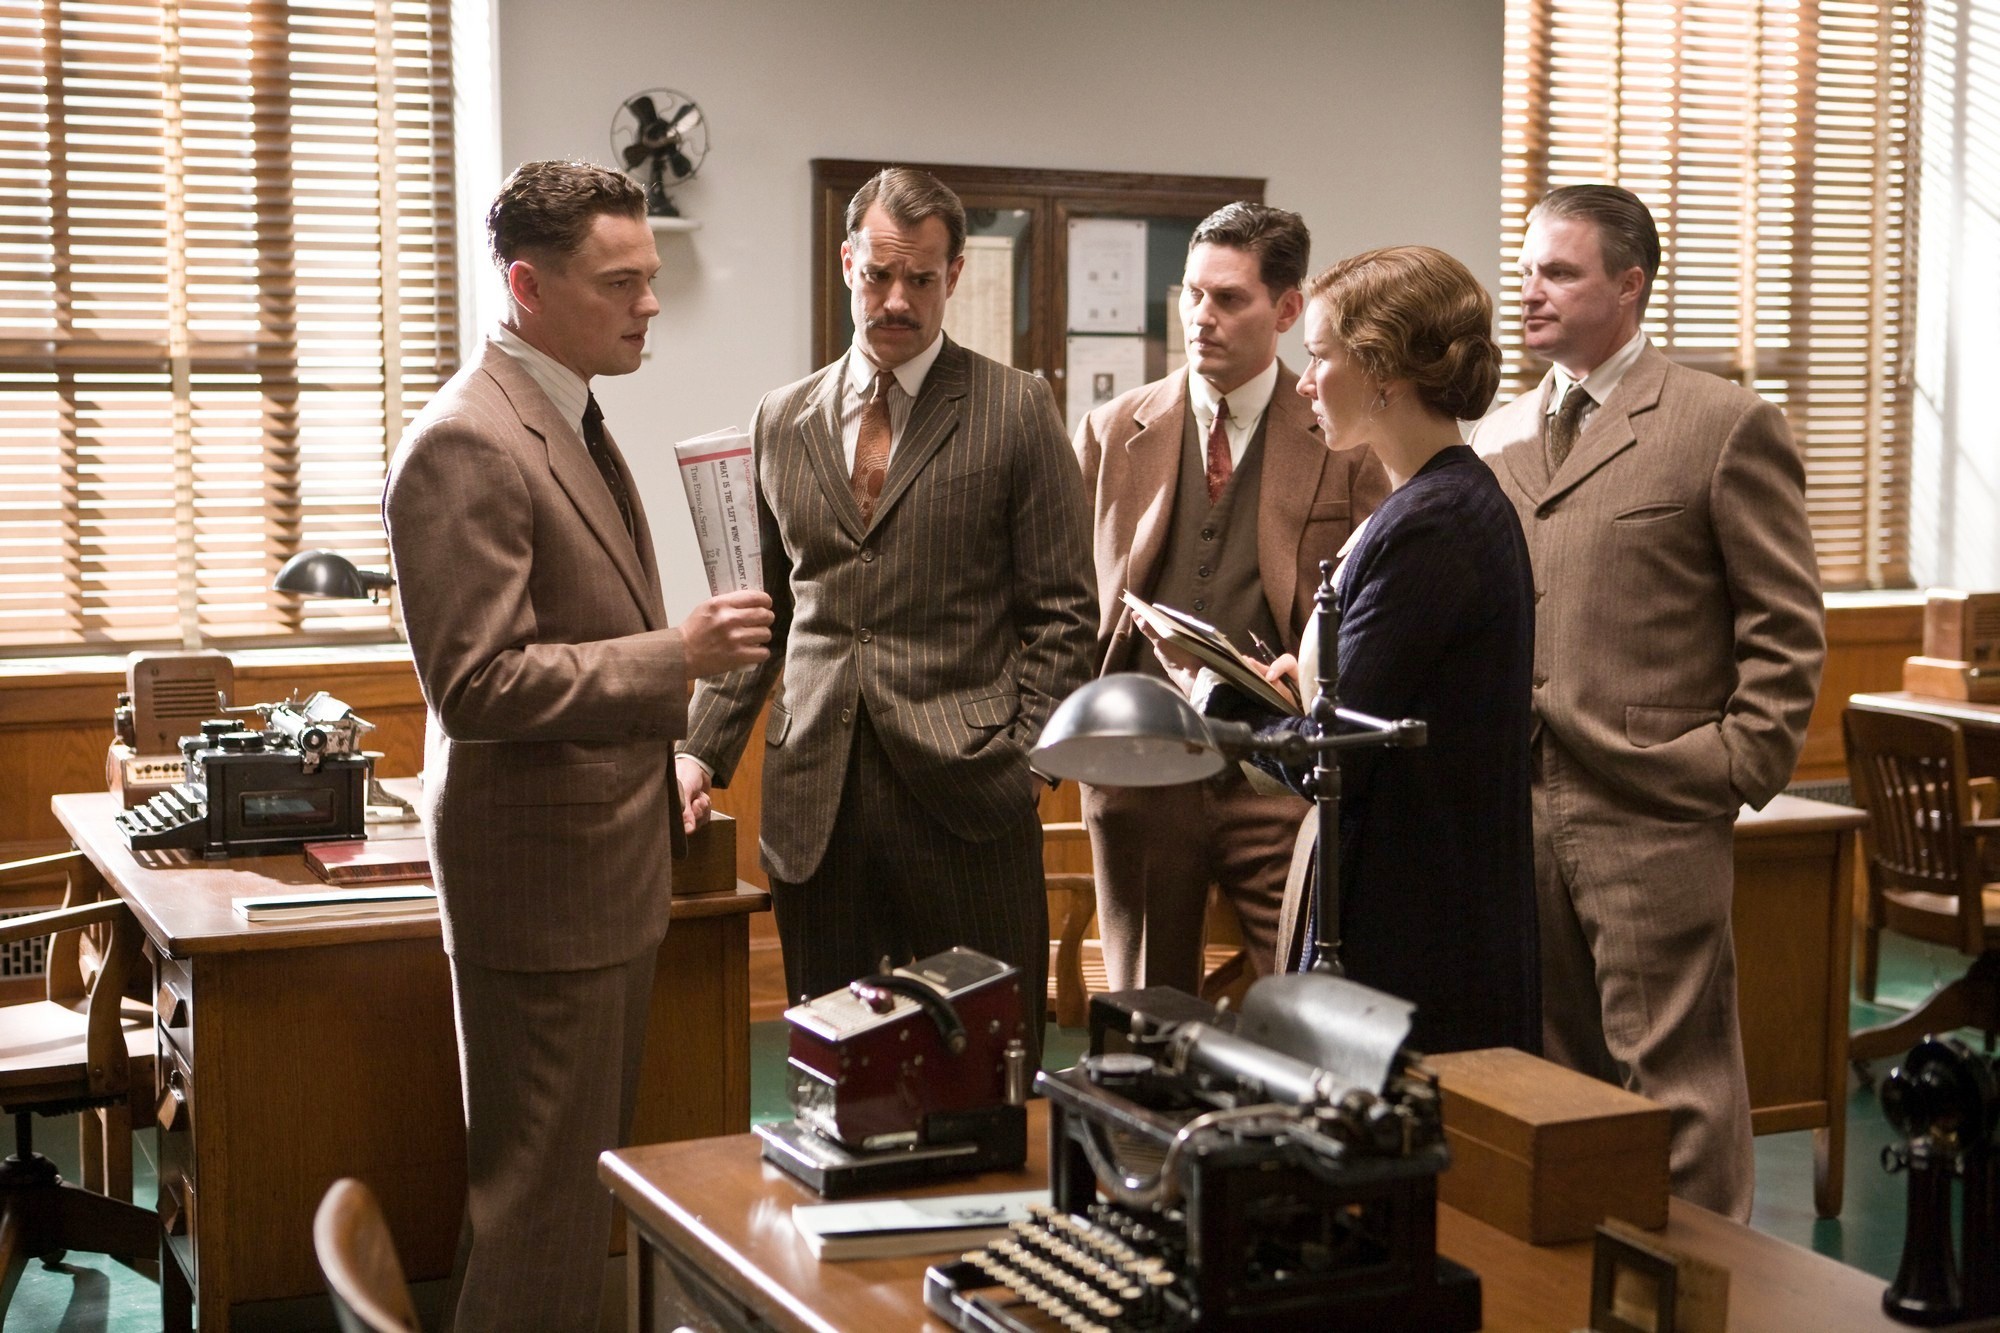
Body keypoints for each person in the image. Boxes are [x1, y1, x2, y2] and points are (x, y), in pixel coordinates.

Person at [382, 160, 774, 1332]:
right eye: (621, 282)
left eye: (649, 278)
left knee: (556, 1194)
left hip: (594, 861)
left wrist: (655, 747)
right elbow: (479, 683)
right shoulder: (470, 440)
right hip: (543, 886)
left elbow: (559, 643)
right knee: (540, 1208)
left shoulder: (563, 411)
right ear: (524, 285)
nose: (649, 303)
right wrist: (677, 660)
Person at [676, 168, 1095, 1053]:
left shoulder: (1016, 410)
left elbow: (1062, 613)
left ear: (955, 276)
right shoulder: (782, 418)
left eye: (922, 279)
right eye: (879, 275)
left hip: (970, 794)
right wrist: (698, 752)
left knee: (982, 1062)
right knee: (836, 1067)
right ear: (847, 264)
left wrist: (1027, 765)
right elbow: (761, 614)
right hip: (815, 803)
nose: (896, 299)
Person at [1471, 184, 1825, 1219]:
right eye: (1526, 267)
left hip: (1651, 811)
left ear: (1627, 285)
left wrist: (1730, 766)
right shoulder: (1497, 435)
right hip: (1520, 806)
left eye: (1558, 272)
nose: (1528, 290)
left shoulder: (1720, 424)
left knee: (1676, 1090)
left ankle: (1702, 1296)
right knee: (1556, 1081)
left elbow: (1785, 624)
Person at [1192, 245, 1539, 1057]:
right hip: (1412, 895)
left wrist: (1220, 699)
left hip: (1417, 921)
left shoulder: (1437, 520)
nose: (1305, 381)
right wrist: (1299, 681)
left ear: (1383, 371)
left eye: (1319, 357)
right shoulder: (1427, 503)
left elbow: (1337, 758)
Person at [1073, 202, 1384, 991]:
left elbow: (1377, 599)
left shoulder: (1343, 442)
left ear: (1286, 308)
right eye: (1191, 294)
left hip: (1276, 776)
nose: (1200, 318)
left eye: (1228, 299)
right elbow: (1067, 597)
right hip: (1140, 769)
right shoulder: (1113, 430)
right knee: (1145, 1013)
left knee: (1306, 1002)